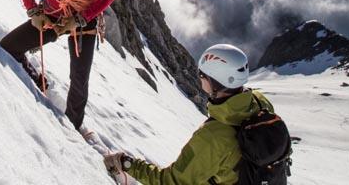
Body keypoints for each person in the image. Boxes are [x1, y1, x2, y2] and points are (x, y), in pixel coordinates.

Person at [103, 44, 289, 185]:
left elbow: (171, 181)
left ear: (215, 82)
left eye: (203, 75)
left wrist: (127, 164)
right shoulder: (259, 101)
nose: (200, 78)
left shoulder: (213, 137)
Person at [0, 0, 114, 132]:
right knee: (7, 47)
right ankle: (35, 78)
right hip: (53, 14)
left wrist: (79, 18)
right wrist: (34, 12)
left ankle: (70, 129)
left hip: (83, 19)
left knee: (79, 80)